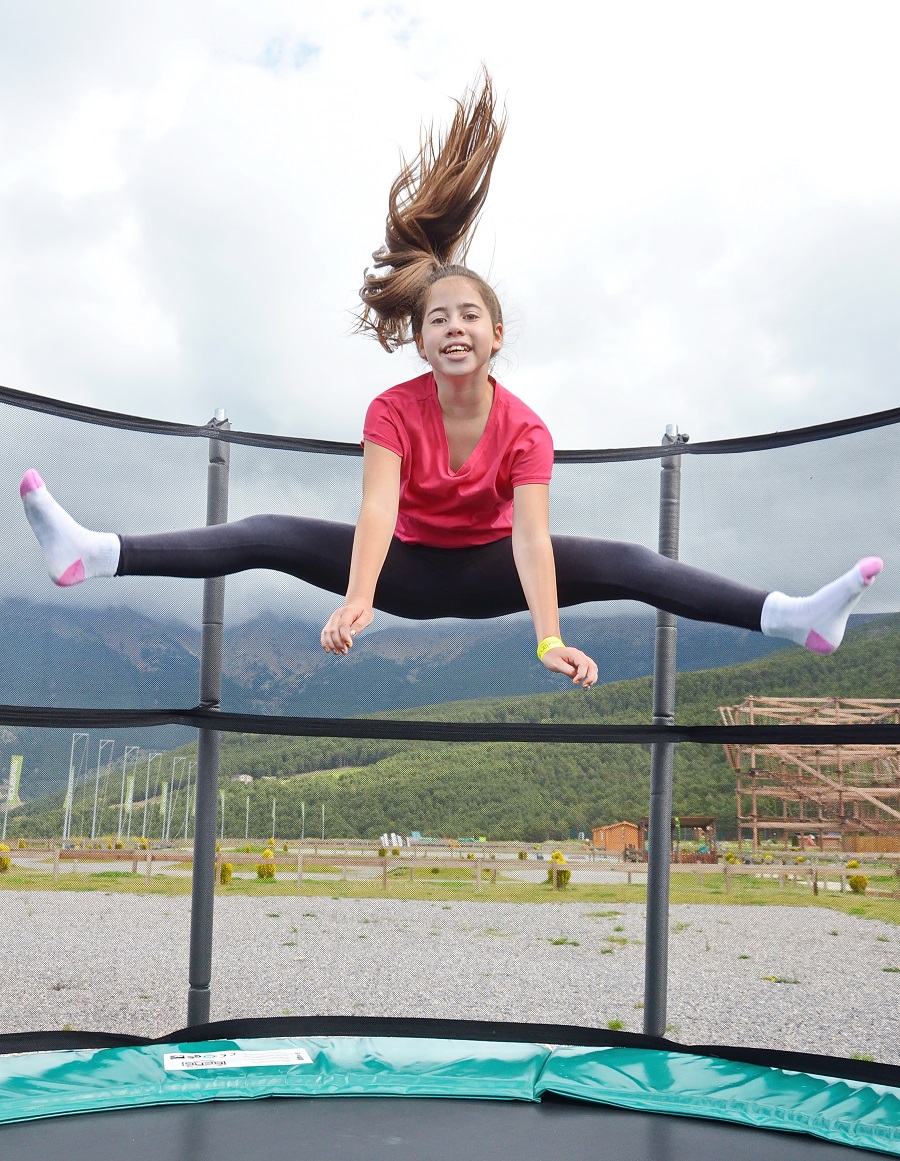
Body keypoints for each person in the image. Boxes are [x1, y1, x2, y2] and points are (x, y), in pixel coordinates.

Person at [19, 74, 882, 693]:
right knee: (270, 527)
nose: (454, 326)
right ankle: (94, 555)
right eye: (438, 318)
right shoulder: (391, 411)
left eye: (470, 314)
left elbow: (534, 542)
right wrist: (359, 599)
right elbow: (376, 513)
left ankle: (793, 617)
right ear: (420, 340)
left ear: (496, 335)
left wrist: (549, 638)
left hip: (491, 573)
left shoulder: (527, 428)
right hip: (400, 570)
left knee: (623, 559)